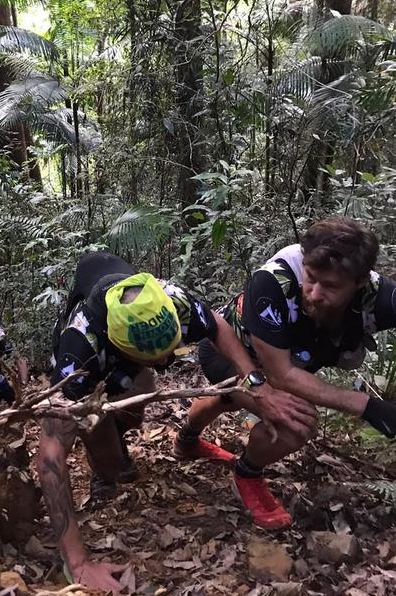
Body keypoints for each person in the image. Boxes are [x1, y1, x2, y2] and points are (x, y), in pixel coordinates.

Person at [37, 251, 315, 593]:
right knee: (108, 462)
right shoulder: (78, 350)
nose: (169, 361)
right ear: (122, 346)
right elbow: (49, 455)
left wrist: (255, 383)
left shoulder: (172, 299)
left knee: (134, 412)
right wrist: (77, 564)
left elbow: (218, 326)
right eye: (157, 357)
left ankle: (118, 427)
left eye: (171, 349)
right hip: (99, 367)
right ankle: (105, 451)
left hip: (127, 356)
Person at [180, 217, 396, 531]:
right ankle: (248, 472)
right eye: (311, 277)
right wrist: (368, 406)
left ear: (360, 281)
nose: (315, 293)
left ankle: (187, 440)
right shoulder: (272, 282)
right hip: (230, 354)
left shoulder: (377, 295)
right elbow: (280, 376)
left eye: (331, 286)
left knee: (232, 400)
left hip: (287, 363)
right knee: (296, 421)